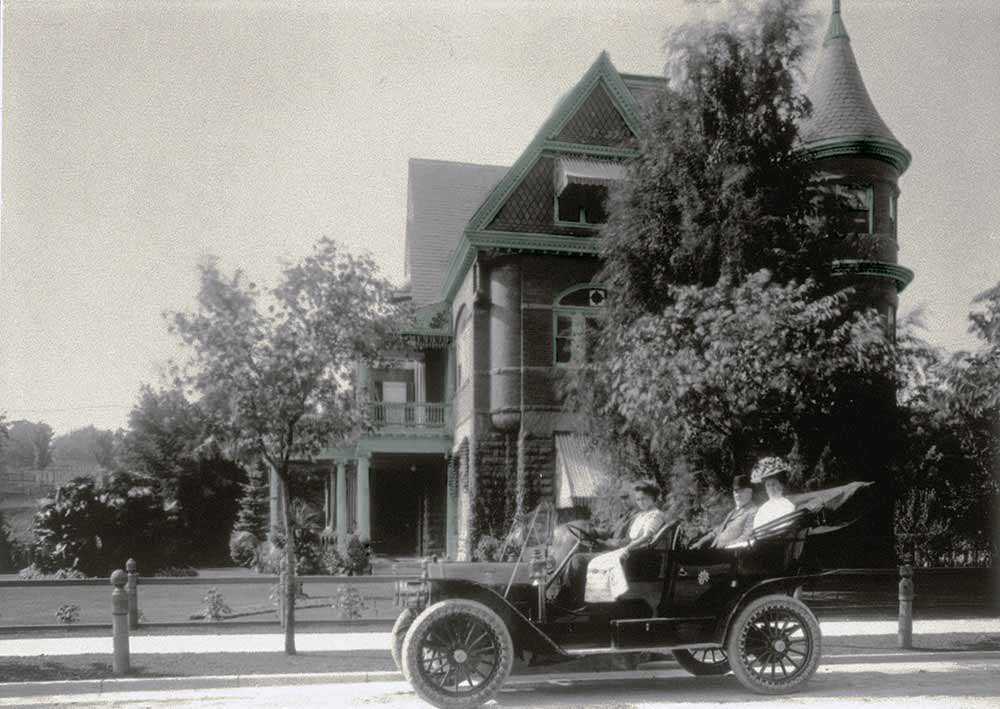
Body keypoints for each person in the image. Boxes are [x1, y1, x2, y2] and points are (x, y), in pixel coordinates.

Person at [583, 482, 667, 604]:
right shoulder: (641, 515)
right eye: (638, 499)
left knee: (589, 562)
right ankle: (593, 599)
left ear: (653, 498)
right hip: (634, 552)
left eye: (644, 499)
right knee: (593, 561)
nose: (640, 502)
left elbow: (647, 536)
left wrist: (627, 548)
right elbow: (630, 537)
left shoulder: (656, 515)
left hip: (640, 557)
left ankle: (598, 601)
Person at [691, 474, 756, 549]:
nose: (737, 495)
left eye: (741, 491)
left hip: (732, 553)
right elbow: (717, 531)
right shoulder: (732, 512)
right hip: (715, 549)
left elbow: (747, 536)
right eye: (735, 492)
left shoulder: (753, 511)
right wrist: (700, 542)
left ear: (750, 492)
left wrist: (726, 547)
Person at [751, 457, 796, 529]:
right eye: (768, 485)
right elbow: (756, 528)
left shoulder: (786, 505)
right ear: (766, 489)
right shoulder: (762, 509)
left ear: (781, 486)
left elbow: (785, 525)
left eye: (774, 484)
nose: (771, 488)